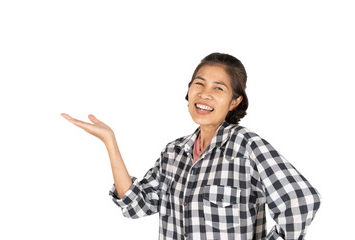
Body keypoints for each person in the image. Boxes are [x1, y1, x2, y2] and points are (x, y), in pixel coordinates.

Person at [61, 52, 321, 240]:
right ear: (188, 91)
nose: (204, 94)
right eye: (199, 83)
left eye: (218, 88)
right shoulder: (174, 152)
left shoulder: (246, 146)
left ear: (234, 101)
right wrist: (110, 141)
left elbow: (301, 202)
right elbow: (134, 206)